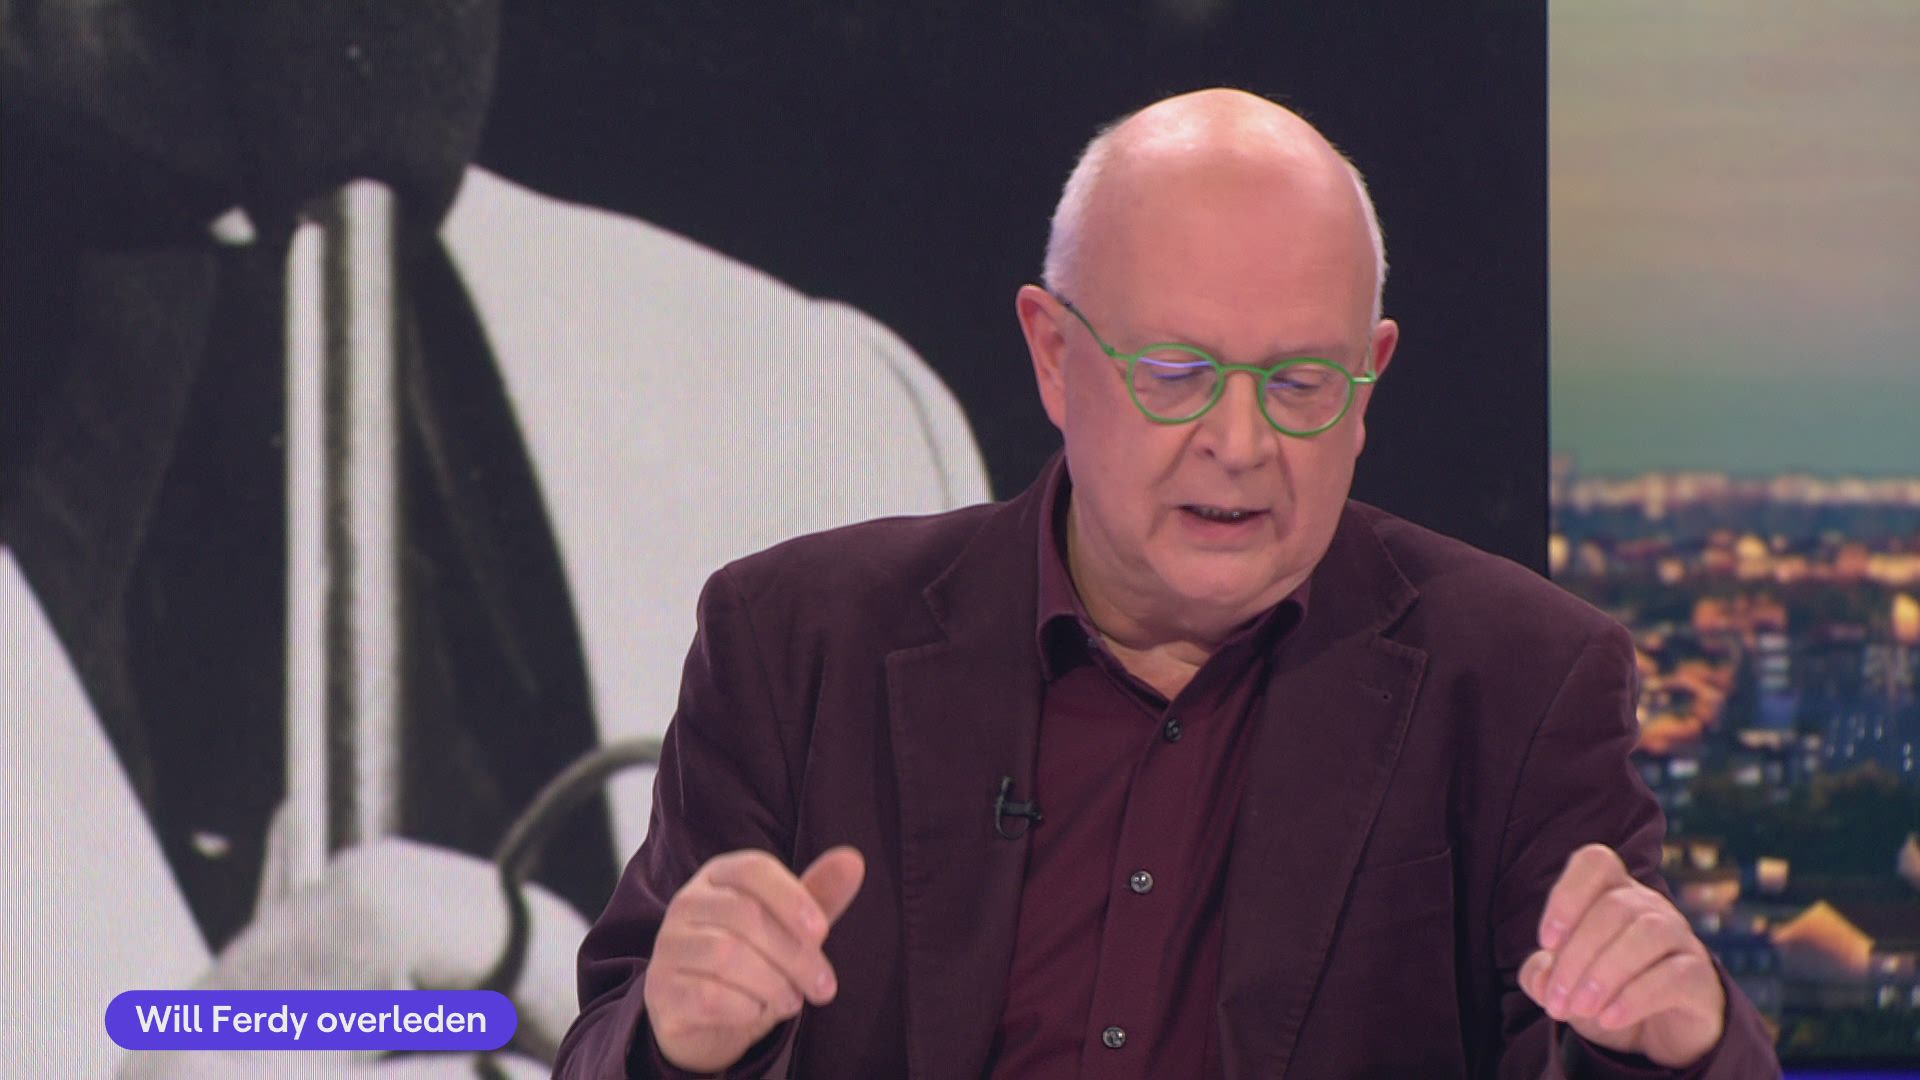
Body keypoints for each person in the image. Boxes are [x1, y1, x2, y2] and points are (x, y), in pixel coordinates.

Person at [555, 89, 1779, 1078]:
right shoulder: (795, 641)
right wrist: (679, 1045)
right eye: (1179, 374)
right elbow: (606, 1044)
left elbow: (1602, 1034)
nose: (1240, 444)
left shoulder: (1520, 681)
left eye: (1300, 383)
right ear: (1053, 355)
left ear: (1370, 379)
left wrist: (1666, 1053)